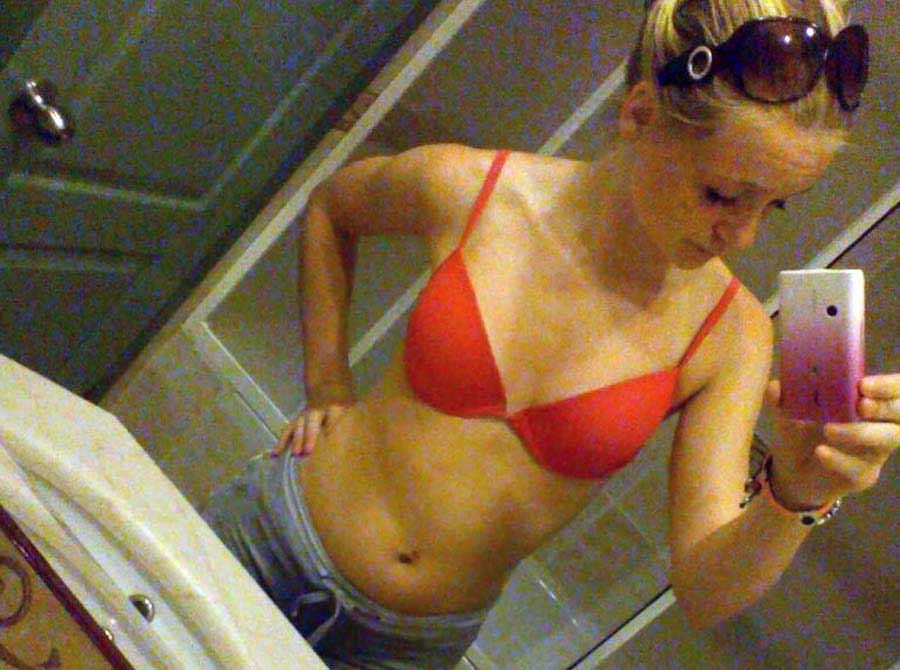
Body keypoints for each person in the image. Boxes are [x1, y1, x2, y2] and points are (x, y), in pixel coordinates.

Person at [202, 1, 899, 668]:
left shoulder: (731, 335)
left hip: (403, 646)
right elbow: (332, 209)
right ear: (640, 113)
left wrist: (795, 495)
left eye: (773, 207)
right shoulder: (476, 190)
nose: (742, 236)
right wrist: (327, 383)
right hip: (271, 533)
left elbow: (704, 592)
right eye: (721, 194)